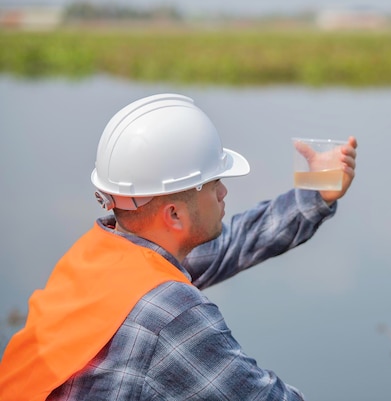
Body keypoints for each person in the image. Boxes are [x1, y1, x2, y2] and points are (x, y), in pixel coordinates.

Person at [0, 93, 358, 400]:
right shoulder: (170, 315)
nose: (224, 192)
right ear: (173, 214)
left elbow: (236, 242)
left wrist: (317, 193)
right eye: (214, 182)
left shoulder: (100, 254)